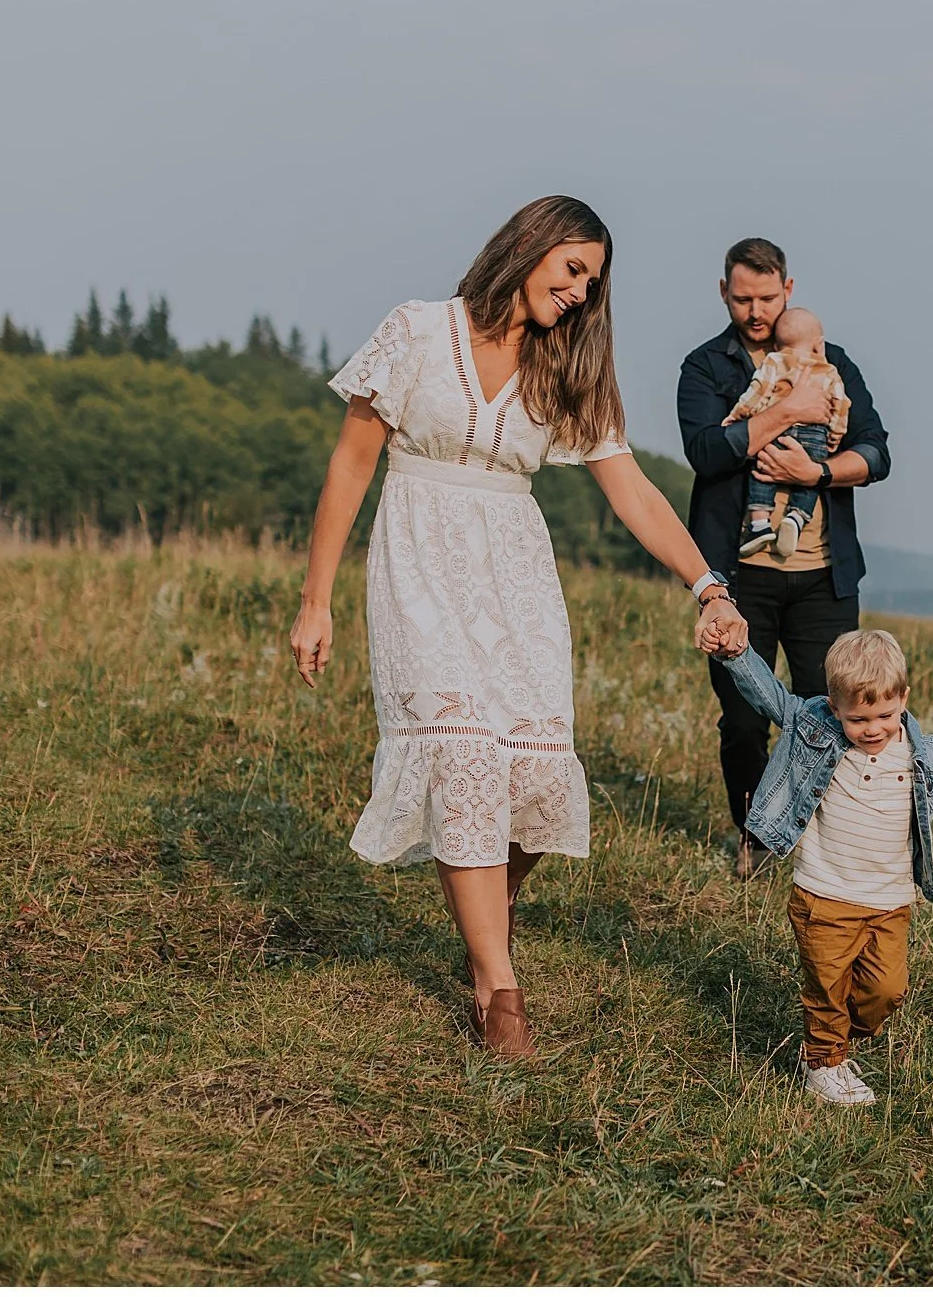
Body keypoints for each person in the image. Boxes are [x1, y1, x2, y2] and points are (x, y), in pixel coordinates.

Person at [289, 195, 749, 1059]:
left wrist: (707, 584)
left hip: (518, 575)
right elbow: (351, 466)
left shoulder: (565, 368)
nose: (580, 293)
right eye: (572, 268)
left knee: (535, 774)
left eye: (593, 282)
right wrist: (315, 601)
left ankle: (484, 932)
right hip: (418, 559)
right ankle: (500, 992)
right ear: (529, 246)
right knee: (462, 753)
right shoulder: (418, 331)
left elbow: (634, 493)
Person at [702, 626, 933, 1105]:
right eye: (859, 719)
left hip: (889, 900)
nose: (874, 729)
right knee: (827, 984)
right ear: (834, 705)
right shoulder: (814, 727)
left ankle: (837, 1042)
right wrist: (737, 655)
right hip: (823, 892)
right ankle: (823, 1061)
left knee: (886, 991)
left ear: (903, 698)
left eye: (885, 714)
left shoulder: (922, 755)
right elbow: (769, 696)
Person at [677, 238, 891, 876]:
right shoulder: (706, 367)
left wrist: (817, 471)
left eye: (767, 298)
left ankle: (823, 838)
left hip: (825, 578)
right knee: (744, 721)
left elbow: (877, 454)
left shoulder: (834, 360)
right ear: (724, 294)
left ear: (788, 291)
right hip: (740, 578)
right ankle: (754, 838)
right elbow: (707, 453)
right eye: (742, 299)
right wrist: (788, 412)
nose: (755, 310)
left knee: (832, 712)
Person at [723, 307, 850, 559]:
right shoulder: (829, 371)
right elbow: (841, 406)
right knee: (810, 478)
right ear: (818, 345)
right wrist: (834, 436)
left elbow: (758, 393)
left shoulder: (775, 360)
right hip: (816, 435)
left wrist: (737, 416)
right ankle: (796, 517)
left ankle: (759, 523)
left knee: (764, 470)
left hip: (778, 433)